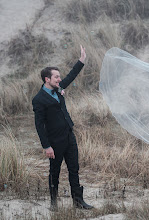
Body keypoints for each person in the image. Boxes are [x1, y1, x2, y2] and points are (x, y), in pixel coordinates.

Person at [32, 45, 93, 211]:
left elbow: (71, 76)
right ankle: (53, 204)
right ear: (47, 79)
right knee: (55, 173)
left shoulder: (58, 90)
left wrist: (81, 60)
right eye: (56, 77)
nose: (59, 79)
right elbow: (39, 125)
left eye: (59, 77)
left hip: (69, 136)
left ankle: (78, 201)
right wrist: (46, 146)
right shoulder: (39, 99)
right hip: (54, 141)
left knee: (74, 169)